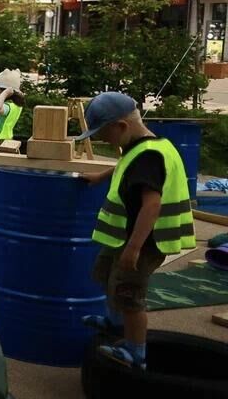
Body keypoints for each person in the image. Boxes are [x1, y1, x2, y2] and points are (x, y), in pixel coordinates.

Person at [79, 92, 195, 371]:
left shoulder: (149, 157)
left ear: (121, 126)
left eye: (104, 133)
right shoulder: (145, 147)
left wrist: (133, 248)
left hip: (143, 243)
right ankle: (114, 320)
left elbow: (152, 205)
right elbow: (126, 164)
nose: (102, 140)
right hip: (123, 238)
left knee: (130, 296)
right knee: (106, 275)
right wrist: (101, 176)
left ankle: (135, 352)